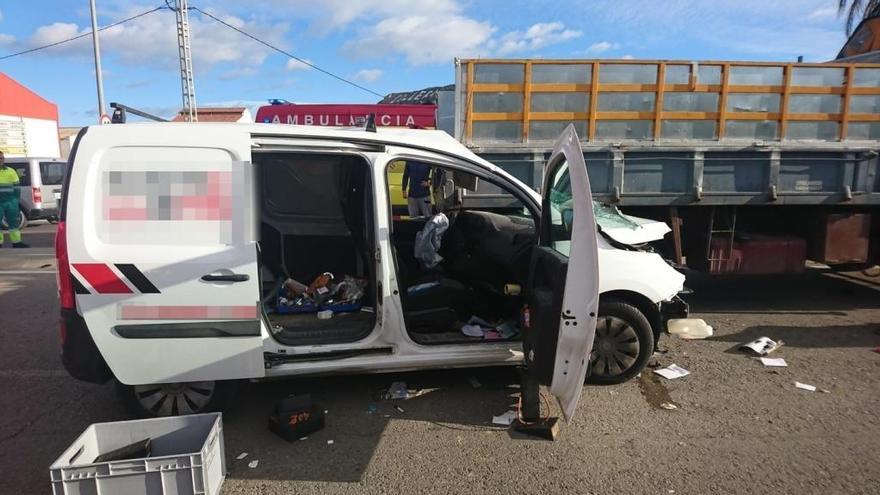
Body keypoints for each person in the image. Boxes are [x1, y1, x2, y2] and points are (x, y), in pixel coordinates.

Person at [0, 151, 28, 248]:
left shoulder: (11, 171)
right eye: (0, 158)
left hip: (11, 201)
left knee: (13, 223)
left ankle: (17, 242)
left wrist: (15, 200)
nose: (1, 160)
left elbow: (16, 187)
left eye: (2, 158)